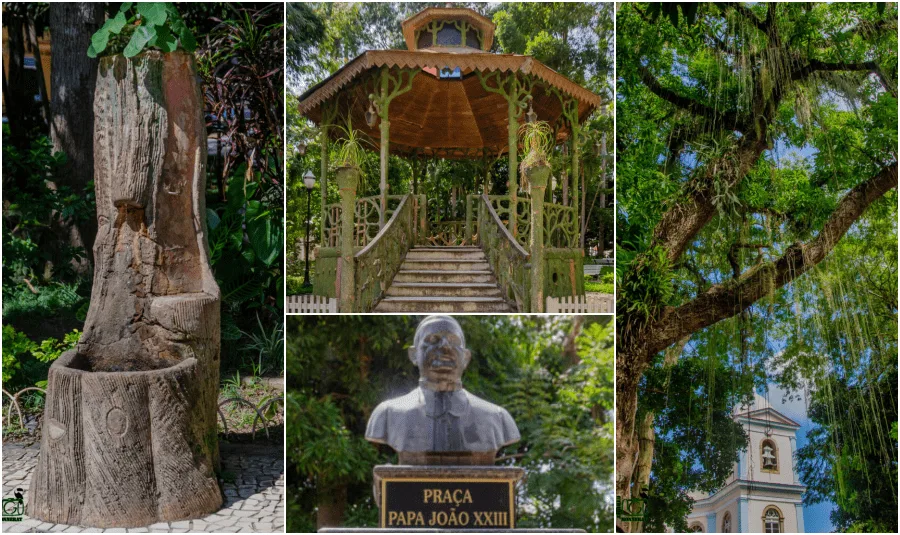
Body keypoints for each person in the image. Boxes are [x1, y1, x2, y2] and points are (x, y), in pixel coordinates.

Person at [365, 315, 519, 464]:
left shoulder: (497, 418)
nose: (445, 346)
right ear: (413, 355)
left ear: (466, 358)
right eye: (433, 340)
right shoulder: (388, 415)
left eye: (453, 341)